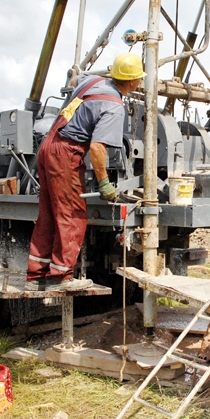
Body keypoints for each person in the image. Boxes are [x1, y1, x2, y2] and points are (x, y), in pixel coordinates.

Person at [26, 52, 146, 291]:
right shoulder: (114, 106)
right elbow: (97, 148)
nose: (141, 81)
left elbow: (74, 79)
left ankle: (36, 276)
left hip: (48, 146)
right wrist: (104, 183)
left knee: (49, 214)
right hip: (66, 153)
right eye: (140, 78)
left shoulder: (93, 81)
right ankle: (60, 277)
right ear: (133, 81)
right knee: (71, 214)